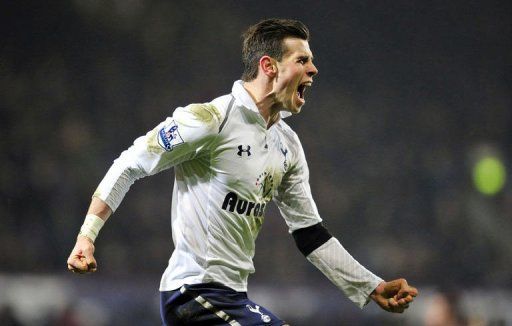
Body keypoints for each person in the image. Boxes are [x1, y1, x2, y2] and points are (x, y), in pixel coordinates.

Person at [67, 18, 418, 325]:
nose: (314, 69)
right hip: (192, 293)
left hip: (232, 296)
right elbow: (130, 164)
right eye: (303, 60)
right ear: (269, 66)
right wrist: (87, 235)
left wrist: (370, 286)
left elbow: (310, 233)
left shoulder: (288, 145)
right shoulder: (211, 120)